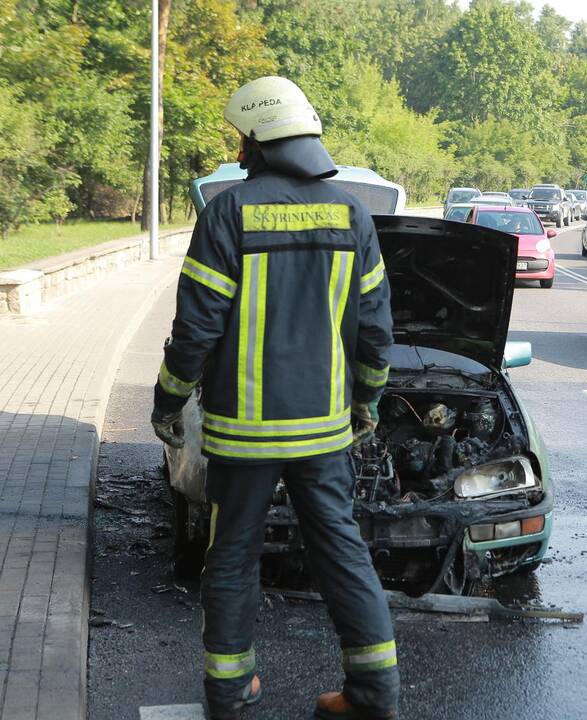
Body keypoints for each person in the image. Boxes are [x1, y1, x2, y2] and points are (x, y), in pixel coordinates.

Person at [150, 76, 399, 720]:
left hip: (242, 434)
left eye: (242, 138)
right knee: (342, 551)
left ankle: (230, 695)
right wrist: (366, 403)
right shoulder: (353, 214)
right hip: (324, 432)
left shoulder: (228, 214)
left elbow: (195, 328)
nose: (238, 150)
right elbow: (374, 333)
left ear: (259, 138)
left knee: (231, 554)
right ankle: (373, 696)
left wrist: (167, 400)